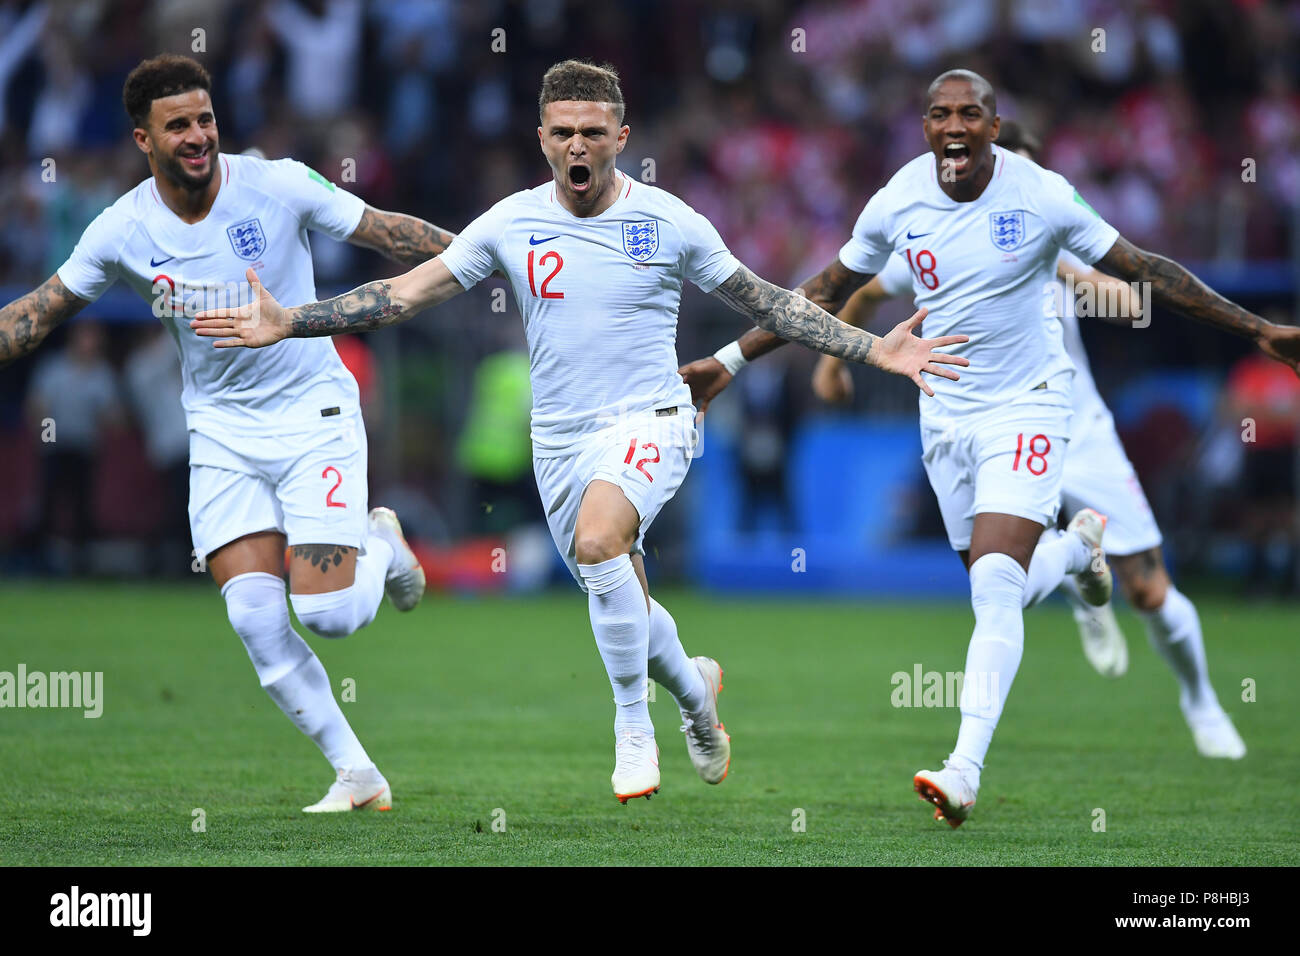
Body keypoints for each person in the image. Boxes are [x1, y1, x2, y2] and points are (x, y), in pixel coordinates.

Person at [190, 59, 971, 803]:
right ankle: (697, 692)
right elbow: (401, 294)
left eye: (593, 132)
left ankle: (634, 727)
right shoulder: (509, 223)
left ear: (621, 139)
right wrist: (293, 320)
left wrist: (875, 348)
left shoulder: (669, 222)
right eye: (563, 132)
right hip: (558, 443)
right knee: (616, 581)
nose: (577, 146)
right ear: (542, 138)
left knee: (602, 544)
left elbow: (770, 302)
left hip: (653, 420)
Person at [679, 70, 1300, 827]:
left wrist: (1257, 330)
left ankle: (963, 769)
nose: (954, 126)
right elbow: (827, 289)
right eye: (939, 114)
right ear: (925, 125)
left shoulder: (1040, 193)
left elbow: (1144, 272)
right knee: (998, 581)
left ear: (994, 125)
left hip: (1035, 409)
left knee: (1001, 590)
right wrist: (732, 361)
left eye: (969, 113)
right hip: (945, 419)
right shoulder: (900, 200)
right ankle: (1076, 554)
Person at [0, 54, 461, 813]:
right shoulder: (121, 229)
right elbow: (41, 310)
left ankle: (381, 543)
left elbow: (386, 232)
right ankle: (358, 774)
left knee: (328, 614)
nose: (198, 136)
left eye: (205, 118)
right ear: (142, 139)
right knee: (253, 618)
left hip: (312, 414)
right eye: (177, 124)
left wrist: (490, 254)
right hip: (221, 435)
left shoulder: (277, 183)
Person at [811, 120, 1247, 762]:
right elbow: (866, 287)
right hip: (990, 428)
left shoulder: (1053, 229)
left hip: (1078, 425)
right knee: (994, 581)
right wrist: (833, 359)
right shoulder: (940, 237)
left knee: (1149, 591)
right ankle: (1075, 565)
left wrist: (1059, 264)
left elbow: (1131, 306)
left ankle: (1199, 697)